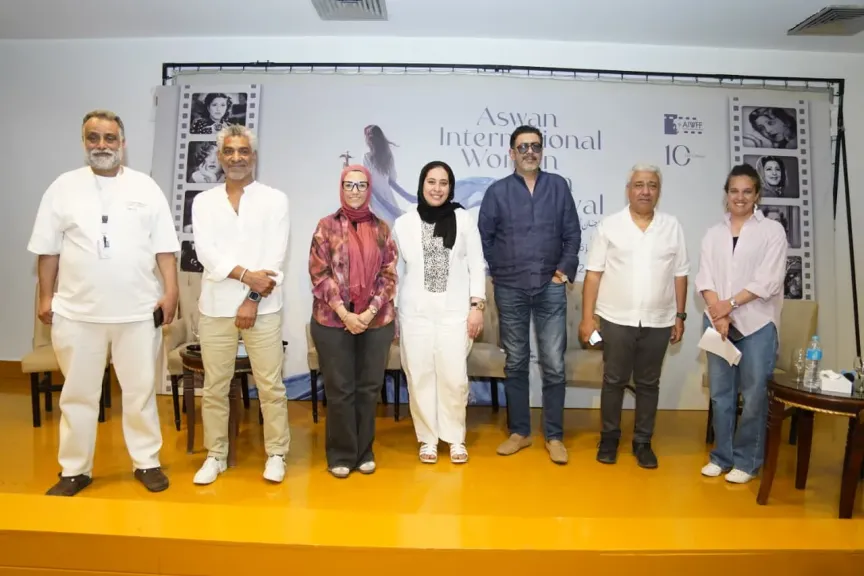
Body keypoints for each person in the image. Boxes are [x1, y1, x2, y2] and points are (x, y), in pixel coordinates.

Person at [27, 109, 180, 496]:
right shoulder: (62, 188)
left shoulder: (146, 188)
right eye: (93, 137)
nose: (102, 145)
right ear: (84, 142)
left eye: (109, 138)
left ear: (122, 143)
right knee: (78, 395)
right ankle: (74, 470)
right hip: (78, 314)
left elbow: (165, 249)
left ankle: (146, 462)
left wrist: (171, 292)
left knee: (140, 393)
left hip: (138, 312)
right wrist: (45, 296)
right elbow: (47, 250)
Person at [190, 125, 291, 485]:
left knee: (270, 386)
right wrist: (248, 276)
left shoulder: (275, 200)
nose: (236, 158)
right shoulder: (203, 202)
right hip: (215, 308)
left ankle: (276, 453)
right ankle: (216, 455)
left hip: (263, 309)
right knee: (215, 387)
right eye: (230, 152)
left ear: (254, 157)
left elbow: (274, 260)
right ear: (220, 157)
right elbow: (206, 254)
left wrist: (251, 299)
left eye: (243, 151)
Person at [478, 125, 580, 465]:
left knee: (553, 363)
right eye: (522, 147)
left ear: (542, 151)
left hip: (550, 286)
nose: (529, 152)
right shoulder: (497, 192)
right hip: (510, 288)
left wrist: (562, 272)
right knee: (516, 361)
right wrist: (500, 271)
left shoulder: (558, 187)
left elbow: (572, 234)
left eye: (535, 146)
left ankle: (554, 436)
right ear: (512, 153)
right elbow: (485, 237)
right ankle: (519, 432)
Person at [579, 164, 689, 469]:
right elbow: (593, 275)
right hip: (616, 318)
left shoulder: (672, 226)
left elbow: (680, 274)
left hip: (659, 320)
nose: (645, 191)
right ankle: (609, 439)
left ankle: (643, 442)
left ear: (659, 191)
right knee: (613, 380)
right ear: (628, 190)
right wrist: (587, 319)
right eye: (639, 185)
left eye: (652, 185)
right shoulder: (610, 225)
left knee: (649, 383)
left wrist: (680, 316)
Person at [695, 164, 787, 484]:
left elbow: (769, 281)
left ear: (757, 195)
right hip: (718, 323)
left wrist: (729, 305)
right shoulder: (713, 234)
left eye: (747, 191)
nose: (740, 197)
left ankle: (747, 462)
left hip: (757, 324)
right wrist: (719, 314)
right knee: (721, 395)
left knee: (754, 396)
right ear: (726, 194)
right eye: (734, 191)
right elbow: (705, 279)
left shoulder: (772, 231)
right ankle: (721, 456)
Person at [393, 161, 486, 464]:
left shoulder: (463, 219)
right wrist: (393, 311)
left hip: (454, 314)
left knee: (453, 378)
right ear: (422, 185)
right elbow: (395, 272)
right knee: (419, 376)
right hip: (415, 314)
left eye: (443, 183)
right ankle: (428, 439)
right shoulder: (404, 223)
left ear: (451, 187)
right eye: (431, 182)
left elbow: (476, 265)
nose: (437, 188)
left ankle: (455, 437)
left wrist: (477, 306)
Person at [308, 164, 398, 478]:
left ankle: (364, 451)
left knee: (368, 388)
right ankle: (341, 454)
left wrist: (369, 312)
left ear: (369, 189)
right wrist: (345, 314)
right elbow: (319, 275)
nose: (355, 191)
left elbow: (389, 275)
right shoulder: (325, 226)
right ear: (341, 187)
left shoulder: (382, 228)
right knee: (340, 389)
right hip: (333, 322)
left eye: (361, 185)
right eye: (349, 184)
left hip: (376, 322)